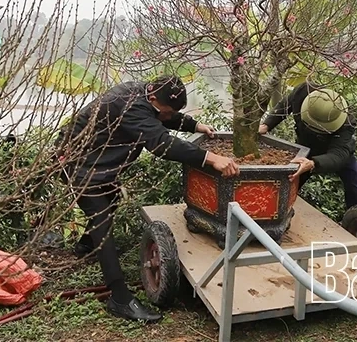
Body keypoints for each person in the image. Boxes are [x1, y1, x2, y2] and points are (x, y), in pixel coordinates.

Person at [55, 76, 241, 323]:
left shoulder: (145, 93)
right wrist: (210, 158)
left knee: (110, 199)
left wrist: (195, 126)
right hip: (80, 165)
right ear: (152, 98)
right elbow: (160, 142)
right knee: (103, 224)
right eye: (163, 112)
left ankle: (85, 247)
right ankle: (119, 298)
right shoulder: (131, 107)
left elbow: (163, 116)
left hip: (98, 163)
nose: (165, 118)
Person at [259, 82, 357, 210]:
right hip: (305, 150)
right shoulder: (302, 91)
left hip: (336, 154)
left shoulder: (347, 122)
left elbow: (339, 154)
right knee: (286, 187)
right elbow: (285, 104)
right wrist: (267, 125)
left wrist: (313, 163)